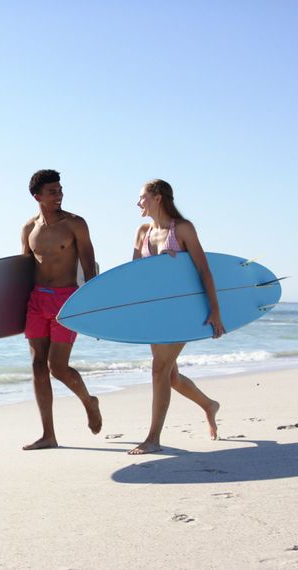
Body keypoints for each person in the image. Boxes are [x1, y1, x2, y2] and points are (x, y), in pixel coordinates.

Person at [129, 179, 222, 455]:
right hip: (155, 313)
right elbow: (134, 276)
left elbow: (204, 270)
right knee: (170, 376)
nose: (138, 203)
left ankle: (153, 438)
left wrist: (215, 310)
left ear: (157, 198)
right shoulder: (142, 232)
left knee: (158, 369)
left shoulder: (182, 229)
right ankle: (209, 404)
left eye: (142, 197)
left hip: (183, 309)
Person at [20, 169, 102, 450]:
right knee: (37, 366)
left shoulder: (75, 224)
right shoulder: (29, 228)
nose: (59, 195)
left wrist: (92, 305)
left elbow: (89, 265)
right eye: (52, 191)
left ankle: (89, 401)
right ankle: (48, 435)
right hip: (36, 301)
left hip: (67, 301)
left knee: (58, 367)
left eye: (60, 190)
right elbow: (23, 270)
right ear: (37, 196)